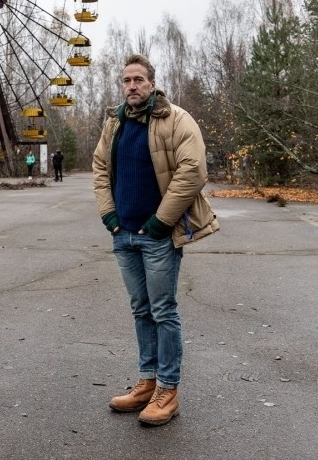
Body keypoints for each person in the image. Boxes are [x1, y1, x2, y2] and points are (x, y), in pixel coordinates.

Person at [92, 53, 219, 426]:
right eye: (126, 80)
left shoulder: (176, 120)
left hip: (157, 236)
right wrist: (109, 216)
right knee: (141, 309)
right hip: (123, 234)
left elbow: (193, 171)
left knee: (163, 310)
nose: (131, 86)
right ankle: (147, 382)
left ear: (151, 83)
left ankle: (168, 389)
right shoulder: (114, 124)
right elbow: (100, 167)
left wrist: (160, 223)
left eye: (138, 80)